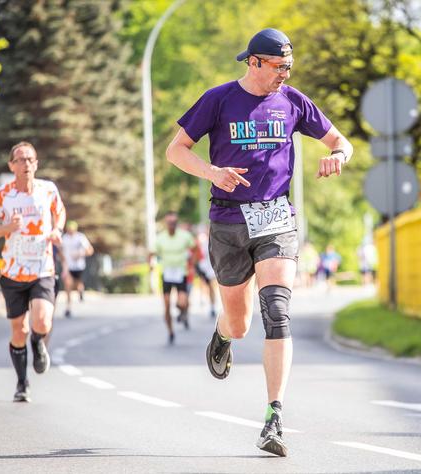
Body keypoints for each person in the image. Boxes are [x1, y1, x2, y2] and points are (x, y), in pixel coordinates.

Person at [165, 28, 352, 456]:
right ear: (254, 62)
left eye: (289, 66)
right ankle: (223, 335)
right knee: (240, 322)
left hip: (275, 216)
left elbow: (341, 141)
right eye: (278, 67)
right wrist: (213, 172)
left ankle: (274, 415)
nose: (285, 74)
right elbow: (177, 150)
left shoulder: (293, 102)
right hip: (228, 220)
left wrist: (338, 156)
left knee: (278, 311)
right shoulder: (218, 99)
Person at [0, 141, 66, 402]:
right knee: (19, 330)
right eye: (20, 159)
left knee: (42, 322)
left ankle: (39, 343)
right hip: (13, 271)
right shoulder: (2, 195)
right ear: (11, 165)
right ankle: (22, 383)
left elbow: (60, 213)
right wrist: (6, 227)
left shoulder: (48, 190)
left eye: (30, 159)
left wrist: (56, 231)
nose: (26, 164)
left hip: (42, 267)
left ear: (36, 164)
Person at [151, 212, 197, 344]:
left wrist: (192, 265)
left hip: (181, 272)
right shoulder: (160, 238)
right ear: (166, 224)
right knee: (166, 305)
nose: (172, 225)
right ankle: (170, 331)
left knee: (181, 302)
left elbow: (194, 249)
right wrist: (151, 267)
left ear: (176, 224)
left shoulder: (184, 236)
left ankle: (183, 312)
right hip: (167, 274)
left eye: (174, 223)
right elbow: (152, 252)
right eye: (169, 223)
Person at [61, 221, 94, 318]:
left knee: (78, 284)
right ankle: (68, 308)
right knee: (68, 285)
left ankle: (81, 292)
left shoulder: (80, 237)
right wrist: (63, 262)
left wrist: (80, 254)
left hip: (79, 266)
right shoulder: (64, 238)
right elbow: (60, 251)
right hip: (68, 266)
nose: (70, 231)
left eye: (72, 229)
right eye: (69, 229)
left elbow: (90, 250)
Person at [194, 226, 218, 318]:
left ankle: (212, 306)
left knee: (212, 286)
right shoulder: (203, 242)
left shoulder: (216, 241)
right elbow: (197, 254)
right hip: (203, 266)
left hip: (212, 267)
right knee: (204, 284)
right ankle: (204, 299)